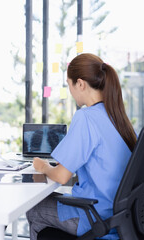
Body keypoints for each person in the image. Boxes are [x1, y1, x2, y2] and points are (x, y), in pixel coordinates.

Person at [26, 53, 137, 239]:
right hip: (119, 215)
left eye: (69, 85)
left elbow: (61, 176)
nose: (70, 91)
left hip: (95, 215)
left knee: (34, 209)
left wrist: (42, 166)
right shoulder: (117, 117)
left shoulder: (86, 117)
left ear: (80, 84)